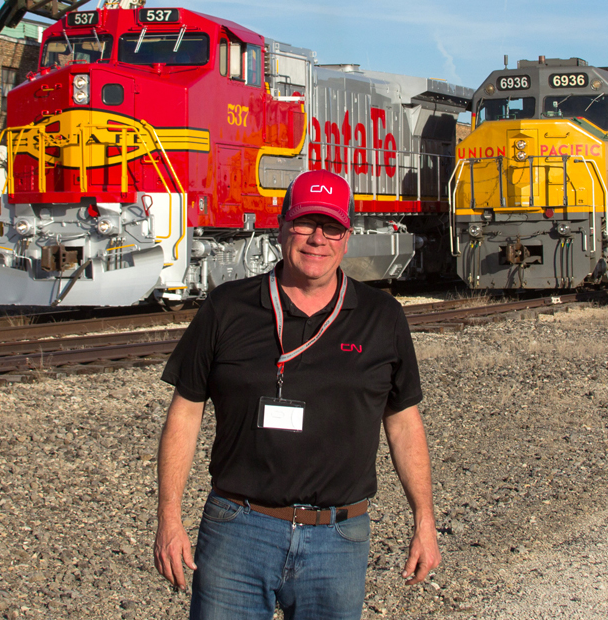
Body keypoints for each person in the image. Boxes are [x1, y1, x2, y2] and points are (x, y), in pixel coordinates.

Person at [154, 169, 440, 619]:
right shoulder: (227, 307)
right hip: (237, 530)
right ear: (282, 227)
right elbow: (185, 411)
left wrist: (424, 518)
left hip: (338, 539)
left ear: (347, 237)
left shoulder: (382, 317)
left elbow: (403, 421)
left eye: (331, 227)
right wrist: (169, 517)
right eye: (305, 223)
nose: (317, 239)